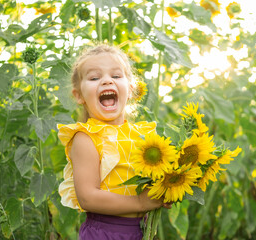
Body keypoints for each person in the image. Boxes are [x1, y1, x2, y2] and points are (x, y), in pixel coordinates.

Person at [57, 44, 171, 240]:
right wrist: (141, 203)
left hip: (141, 230)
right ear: (79, 95)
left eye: (116, 76)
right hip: (104, 232)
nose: (107, 81)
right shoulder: (86, 138)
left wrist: (164, 191)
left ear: (131, 89)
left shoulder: (142, 136)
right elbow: (88, 198)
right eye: (94, 78)